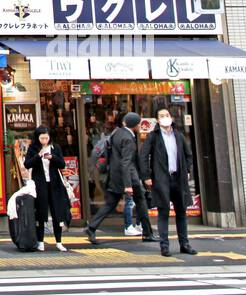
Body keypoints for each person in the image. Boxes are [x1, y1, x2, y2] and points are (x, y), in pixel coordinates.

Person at [86, 112, 154, 245]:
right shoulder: (128, 138)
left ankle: (91, 227)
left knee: (110, 203)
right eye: (139, 124)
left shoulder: (117, 133)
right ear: (135, 125)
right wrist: (128, 185)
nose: (139, 126)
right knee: (141, 202)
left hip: (115, 175)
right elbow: (126, 162)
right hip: (129, 177)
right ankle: (147, 233)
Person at [140, 107, 198, 257]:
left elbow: (188, 155)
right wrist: (146, 176)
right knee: (163, 212)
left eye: (166, 115)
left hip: (178, 178)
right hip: (161, 179)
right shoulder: (153, 136)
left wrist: (186, 169)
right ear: (157, 120)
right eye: (161, 115)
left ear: (171, 118)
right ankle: (164, 246)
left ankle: (184, 244)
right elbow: (143, 156)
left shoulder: (178, 135)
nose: (165, 117)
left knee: (181, 212)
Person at [23, 125, 72, 251]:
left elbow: (62, 164)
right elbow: (27, 164)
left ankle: (59, 241)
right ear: (37, 137)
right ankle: (40, 241)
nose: (44, 140)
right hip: (40, 184)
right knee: (40, 212)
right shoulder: (33, 148)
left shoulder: (55, 148)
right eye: (42, 138)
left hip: (55, 184)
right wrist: (38, 156)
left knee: (57, 212)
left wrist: (52, 157)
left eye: (46, 138)